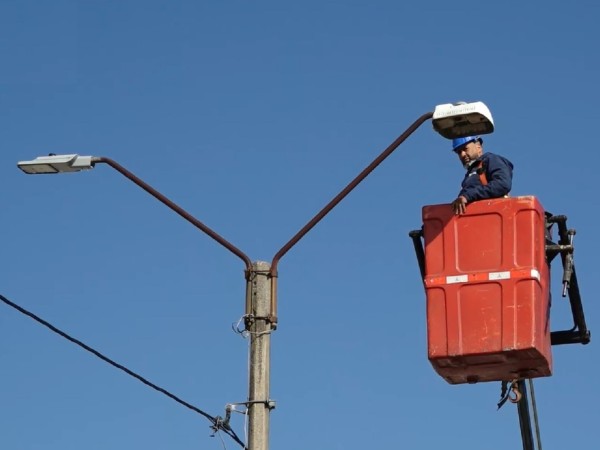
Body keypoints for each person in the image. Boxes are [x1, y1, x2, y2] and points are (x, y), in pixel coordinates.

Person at [450, 136, 513, 215]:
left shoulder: (490, 160)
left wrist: (467, 196)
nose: (462, 154)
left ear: (478, 147)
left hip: (493, 215)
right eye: (459, 152)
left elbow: (502, 184)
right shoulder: (468, 176)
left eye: (465, 149)